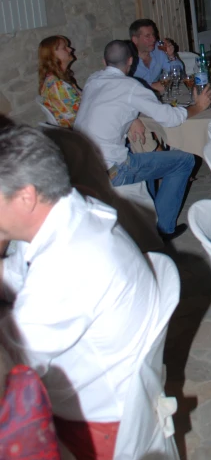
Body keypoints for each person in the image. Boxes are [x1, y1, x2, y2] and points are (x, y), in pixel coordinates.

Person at [0, 119, 164, 459]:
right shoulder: (71, 208)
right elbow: (14, 276)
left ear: (26, 196)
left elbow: (13, 371)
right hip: (112, 386)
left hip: (97, 423)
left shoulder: (64, 266)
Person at [75, 40, 211, 240]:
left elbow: (107, 109)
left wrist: (132, 118)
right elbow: (169, 118)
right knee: (185, 161)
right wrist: (198, 107)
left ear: (104, 61)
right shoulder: (131, 87)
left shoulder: (93, 80)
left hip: (79, 166)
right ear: (131, 61)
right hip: (111, 171)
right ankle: (164, 229)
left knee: (145, 153)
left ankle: (151, 212)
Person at [38, 35, 81, 127]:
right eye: (64, 48)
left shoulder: (57, 78)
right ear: (52, 54)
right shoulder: (57, 85)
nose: (70, 49)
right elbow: (76, 116)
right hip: (76, 131)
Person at [129, 18, 171, 92]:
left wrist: (172, 56)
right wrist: (151, 87)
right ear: (135, 40)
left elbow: (176, 72)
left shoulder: (158, 49)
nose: (153, 39)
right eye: (147, 36)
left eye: (153, 35)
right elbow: (125, 86)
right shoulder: (127, 58)